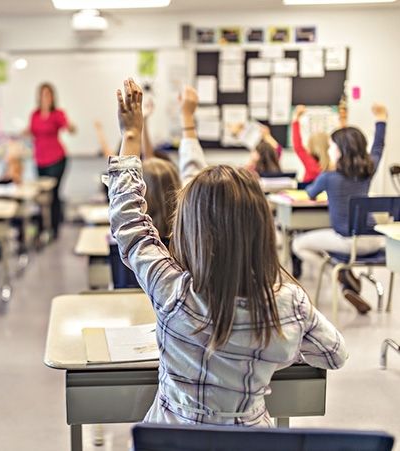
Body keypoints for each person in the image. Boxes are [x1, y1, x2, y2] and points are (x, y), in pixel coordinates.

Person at [108, 78, 346, 426]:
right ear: (260, 229)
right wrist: (282, 346)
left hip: (170, 439)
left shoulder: (172, 291)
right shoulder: (287, 303)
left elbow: (130, 225)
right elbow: (334, 354)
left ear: (189, 228)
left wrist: (131, 135)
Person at [292, 104, 388, 314]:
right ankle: (345, 278)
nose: (329, 150)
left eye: (332, 146)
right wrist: (381, 119)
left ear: (341, 151)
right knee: (328, 242)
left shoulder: (329, 177)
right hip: (374, 240)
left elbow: (310, 193)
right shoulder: (368, 171)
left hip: (348, 241)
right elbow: (378, 147)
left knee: (298, 244)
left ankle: (340, 277)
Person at [28, 83, 75, 239]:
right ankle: (41, 228)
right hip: (40, 159)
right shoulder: (34, 115)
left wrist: (71, 127)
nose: (45, 97)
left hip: (57, 159)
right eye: (43, 94)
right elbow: (31, 132)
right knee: (40, 194)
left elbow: (68, 127)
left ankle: (55, 229)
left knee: (53, 193)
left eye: (48, 94)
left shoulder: (57, 114)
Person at [291, 105, 331, 183]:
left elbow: (298, 145)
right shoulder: (331, 164)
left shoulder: (310, 162)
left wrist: (296, 118)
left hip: (308, 193)